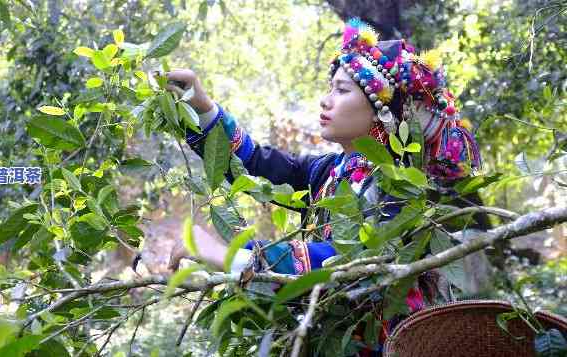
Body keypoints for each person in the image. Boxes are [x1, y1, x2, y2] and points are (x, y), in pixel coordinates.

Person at [167, 18, 482, 354]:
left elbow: (350, 264)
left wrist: (226, 254)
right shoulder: (327, 171)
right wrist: (201, 107)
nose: (325, 100)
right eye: (330, 87)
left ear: (380, 111)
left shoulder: (401, 186)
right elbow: (256, 164)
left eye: (342, 90)